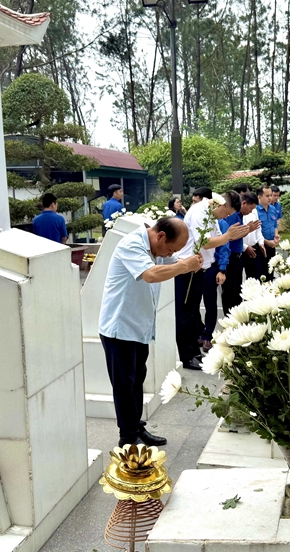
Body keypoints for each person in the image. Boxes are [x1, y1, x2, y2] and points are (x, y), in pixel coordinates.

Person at [99, 217, 203, 447]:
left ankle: (136, 427)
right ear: (161, 236)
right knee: (124, 386)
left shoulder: (156, 247)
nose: (170, 254)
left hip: (139, 327)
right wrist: (184, 266)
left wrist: (191, 262)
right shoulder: (132, 244)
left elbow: (175, 262)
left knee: (136, 381)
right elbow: (151, 274)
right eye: (171, 249)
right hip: (120, 328)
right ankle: (128, 438)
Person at [174, 194, 255, 370]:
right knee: (185, 315)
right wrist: (228, 236)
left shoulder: (212, 215)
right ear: (221, 205)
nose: (226, 217)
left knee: (193, 313)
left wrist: (231, 236)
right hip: (188, 268)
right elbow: (204, 242)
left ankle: (194, 352)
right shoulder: (199, 212)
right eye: (227, 213)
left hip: (201, 268)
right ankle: (186, 356)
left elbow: (220, 238)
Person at [202, 191, 245, 348]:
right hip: (195, 267)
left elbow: (224, 248)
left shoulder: (221, 224)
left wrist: (222, 269)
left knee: (210, 303)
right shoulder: (200, 220)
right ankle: (199, 332)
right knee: (192, 304)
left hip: (212, 267)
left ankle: (208, 335)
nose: (227, 215)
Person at [256, 186, 280, 277]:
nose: (270, 198)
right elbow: (255, 232)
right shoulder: (255, 211)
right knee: (261, 273)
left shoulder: (273, 209)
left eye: (270, 195)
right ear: (259, 197)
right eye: (267, 196)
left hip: (272, 245)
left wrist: (276, 235)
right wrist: (266, 242)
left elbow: (275, 225)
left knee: (271, 271)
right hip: (261, 246)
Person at [240, 192, 266, 280]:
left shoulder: (254, 211)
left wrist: (261, 243)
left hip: (254, 249)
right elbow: (233, 235)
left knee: (255, 277)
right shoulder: (237, 214)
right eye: (250, 208)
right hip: (241, 250)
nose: (251, 211)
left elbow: (258, 229)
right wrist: (245, 247)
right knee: (237, 281)